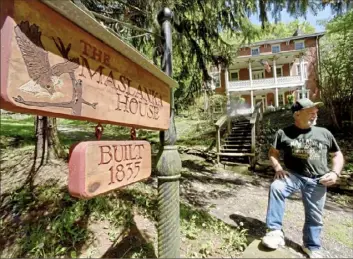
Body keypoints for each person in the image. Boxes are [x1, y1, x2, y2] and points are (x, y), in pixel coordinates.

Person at [261, 98, 344, 258]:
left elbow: (337, 154)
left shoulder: (324, 133)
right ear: (297, 114)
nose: (315, 113)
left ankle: (311, 246)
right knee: (277, 187)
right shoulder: (283, 133)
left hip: (318, 179)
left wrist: (335, 173)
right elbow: (273, 153)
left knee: (314, 215)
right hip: (294, 175)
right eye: (310, 111)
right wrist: (278, 168)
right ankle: (275, 232)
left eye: (316, 111)